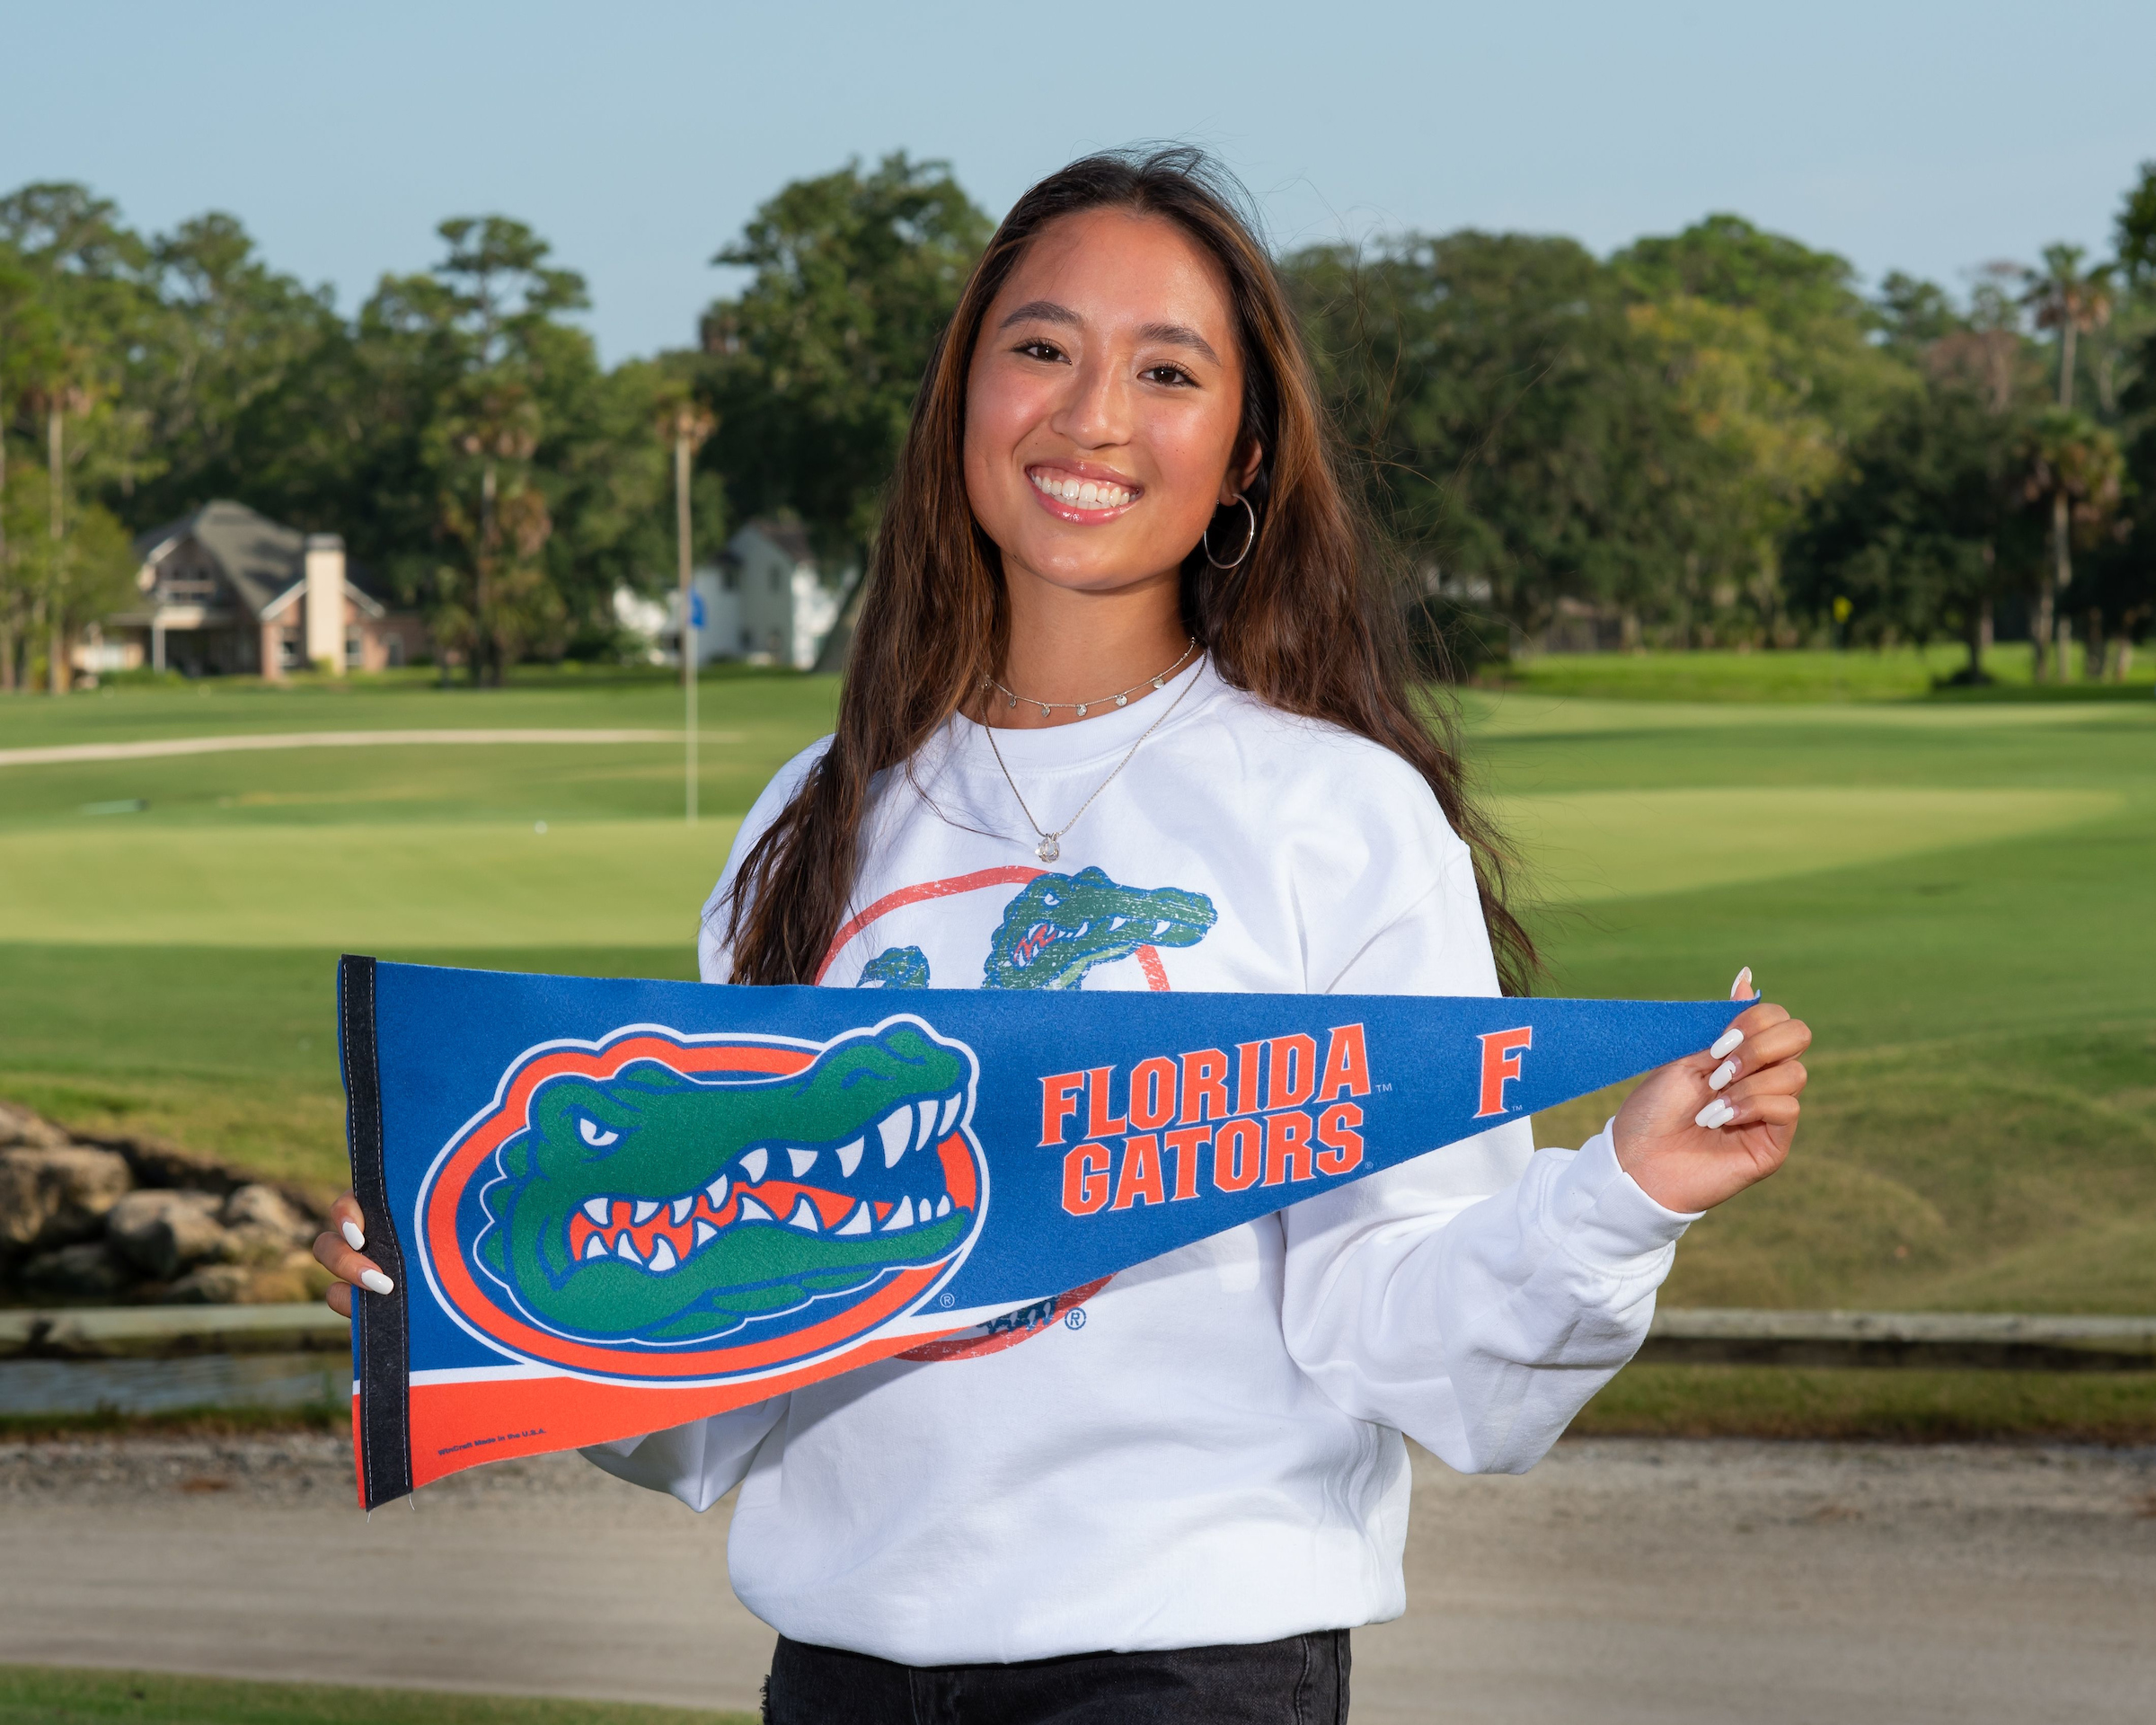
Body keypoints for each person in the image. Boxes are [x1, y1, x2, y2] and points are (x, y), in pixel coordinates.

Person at [317, 147, 1811, 1724]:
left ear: (1243, 453)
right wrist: (468, 1291)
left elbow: (1403, 1331)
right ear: (963, 396)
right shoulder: (811, 818)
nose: (1092, 416)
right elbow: (720, 1385)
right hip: (839, 1678)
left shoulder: (1337, 814)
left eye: (1167, 371)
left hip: (1186, 1669)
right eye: (1042, 348)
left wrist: (1621, 1198)